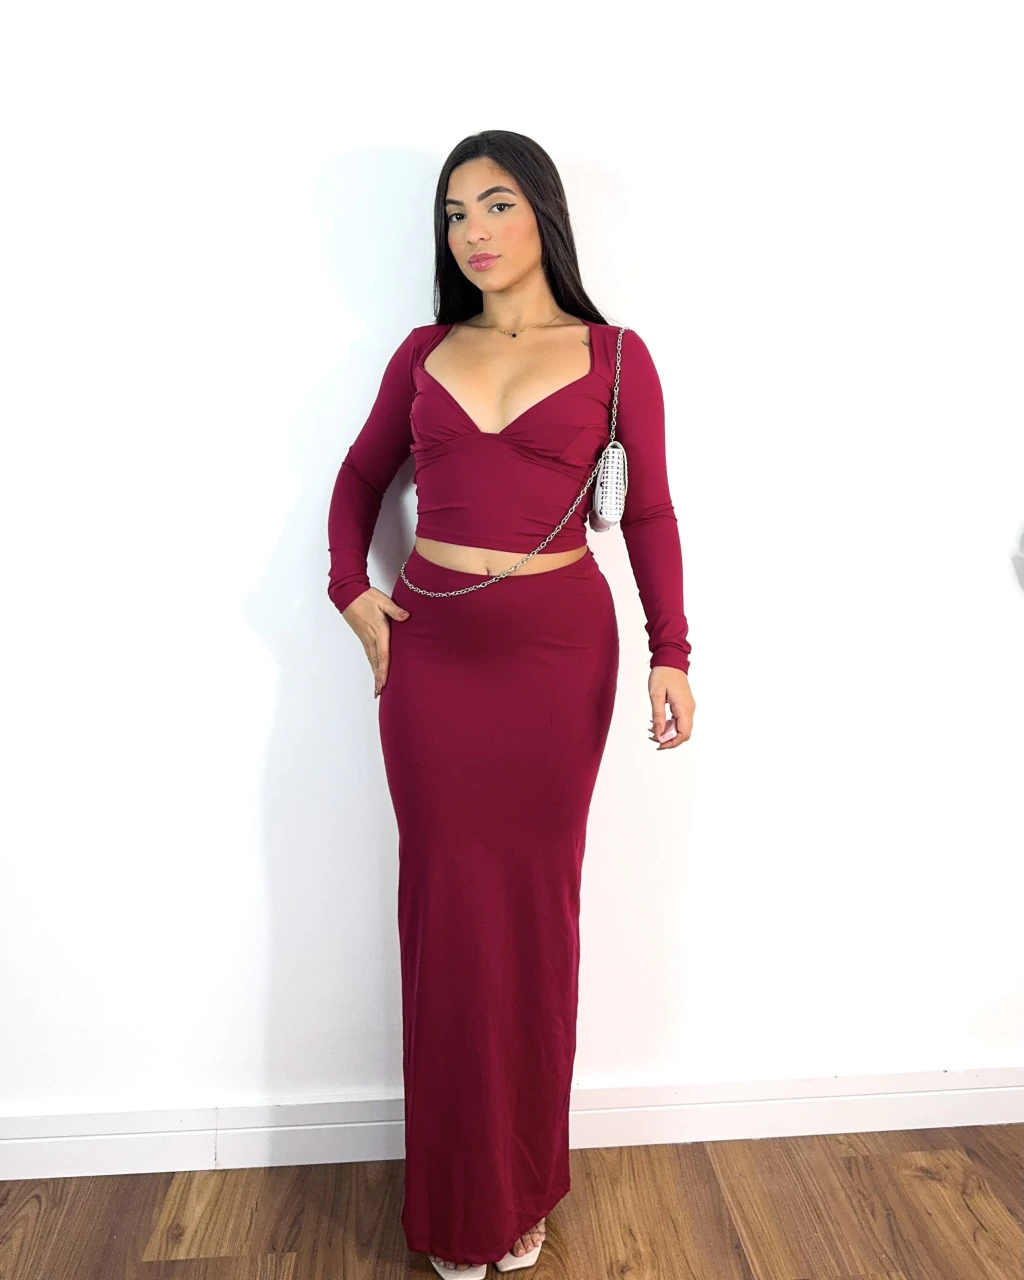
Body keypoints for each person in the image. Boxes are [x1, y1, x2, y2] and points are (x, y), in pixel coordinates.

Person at [326, 130, 695, 1278]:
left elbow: (648, 513)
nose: (473, 232)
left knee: (534, 918)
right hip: (431, 661)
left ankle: (521, 1183)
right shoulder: (423, 353)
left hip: (555, 662)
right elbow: (358, 479)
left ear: (543, 212)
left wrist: (671, 651)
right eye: (454, 214)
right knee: (444, 918)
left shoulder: (617, 358)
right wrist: (351, 590)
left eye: (495, 205)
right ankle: (457, 1201)